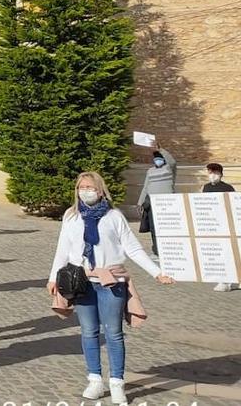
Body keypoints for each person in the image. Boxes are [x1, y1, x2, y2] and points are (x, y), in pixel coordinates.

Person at [48, 171, 174, 405]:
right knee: (88, 332)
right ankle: (94, 379)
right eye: (81, 187)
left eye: (90, 187)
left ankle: (117, 382)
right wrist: (53, 277)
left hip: (111, 281)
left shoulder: (114, 216)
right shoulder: (71, 216)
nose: (85, 191)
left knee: (114, 333)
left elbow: (133, 249)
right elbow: (62, 249)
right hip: (81, 281)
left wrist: (157, 272)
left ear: (100, 190)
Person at [137, 144, 176, 258]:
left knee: (167, 227)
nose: (157, 160)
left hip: (167, 204)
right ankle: (156, 250)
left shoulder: (169, 169)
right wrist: (140, 202)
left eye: (159, 158)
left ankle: (170, 250)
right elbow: (146, 187)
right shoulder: (150, 171)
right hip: (152, 204)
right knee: (154, 228)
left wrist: (160, 149)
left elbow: (172, 161)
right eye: (155, 158)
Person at [202, 163, 235, 290]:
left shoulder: (228, 188)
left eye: (214, 172)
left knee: (227, 253)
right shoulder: (206, 187)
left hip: (224, 224)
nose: (212, 175)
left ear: (220, 174)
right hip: (211, 224)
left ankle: (226, 281)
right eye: (210, 172)